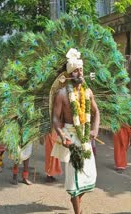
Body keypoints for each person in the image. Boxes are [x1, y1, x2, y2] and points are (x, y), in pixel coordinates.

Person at [52, 48, 100, 214]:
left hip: (86, 137)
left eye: (81, 70)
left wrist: (94, 129)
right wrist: (62, 136)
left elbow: (96, 112)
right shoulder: (62, 94)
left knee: (90, 177)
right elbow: (56, 119)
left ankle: (77, 203)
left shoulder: (88, 92)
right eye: (76, 71)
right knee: (74, 179)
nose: (79, 73)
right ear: (70, 74)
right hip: (71, 138)